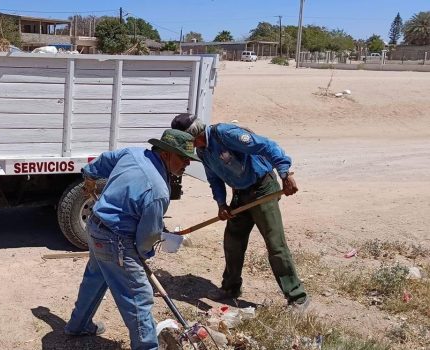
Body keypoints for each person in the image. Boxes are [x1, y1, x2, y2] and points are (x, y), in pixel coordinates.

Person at [64, 129, 199, 350]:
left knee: (96, 278)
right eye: (183, 158)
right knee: (138, 297)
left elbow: (105, 160)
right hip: (116, 240)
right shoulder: (157, 190)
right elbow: (147, 237)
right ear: (166, 153)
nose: (187, 164)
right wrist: (143, 255)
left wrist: (89, 174)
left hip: (96, 227)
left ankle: (77, 325)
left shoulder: (133, 154)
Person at [171, 113, 309, 309]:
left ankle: (297, 297)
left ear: (192, 134)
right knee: (233, 242)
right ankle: (231, 288)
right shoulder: (202, 151)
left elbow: (267, 145)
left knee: (275, 244)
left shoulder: (225, 134)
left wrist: (285, 173)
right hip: (241, 194)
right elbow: (214, 179)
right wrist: (221, 204)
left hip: (262, 189)